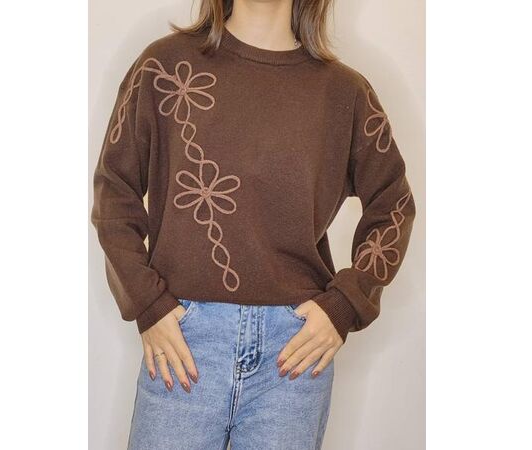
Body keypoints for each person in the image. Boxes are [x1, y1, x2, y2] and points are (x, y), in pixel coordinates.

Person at [91, 0, 416, 448]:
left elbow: (394, 205)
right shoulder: (163, 67)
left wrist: (344, 305)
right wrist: (147, 304)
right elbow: (114, 192)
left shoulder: (345, 93)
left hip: (294, 354)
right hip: (184, 342)